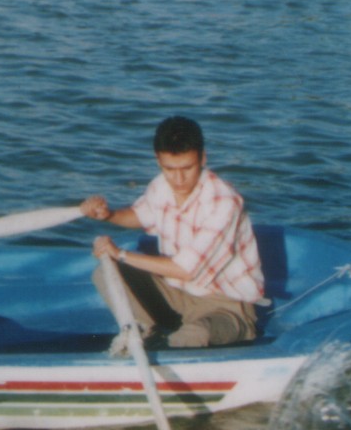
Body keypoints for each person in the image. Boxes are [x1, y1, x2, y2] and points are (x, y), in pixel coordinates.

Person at [80, 115, 264, 352]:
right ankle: (145, 333)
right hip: (178, 295)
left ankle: (164, 346)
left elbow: (185, 270)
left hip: (226, 306)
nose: (178, 179)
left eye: (187, 168)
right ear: (158, 161)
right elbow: (140, 215)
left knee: (192, 336)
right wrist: (108, 215)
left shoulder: (224, 202)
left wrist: (121, 254)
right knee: (104, 272)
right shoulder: (160, 185)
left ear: (203, 158)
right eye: (169, 169)